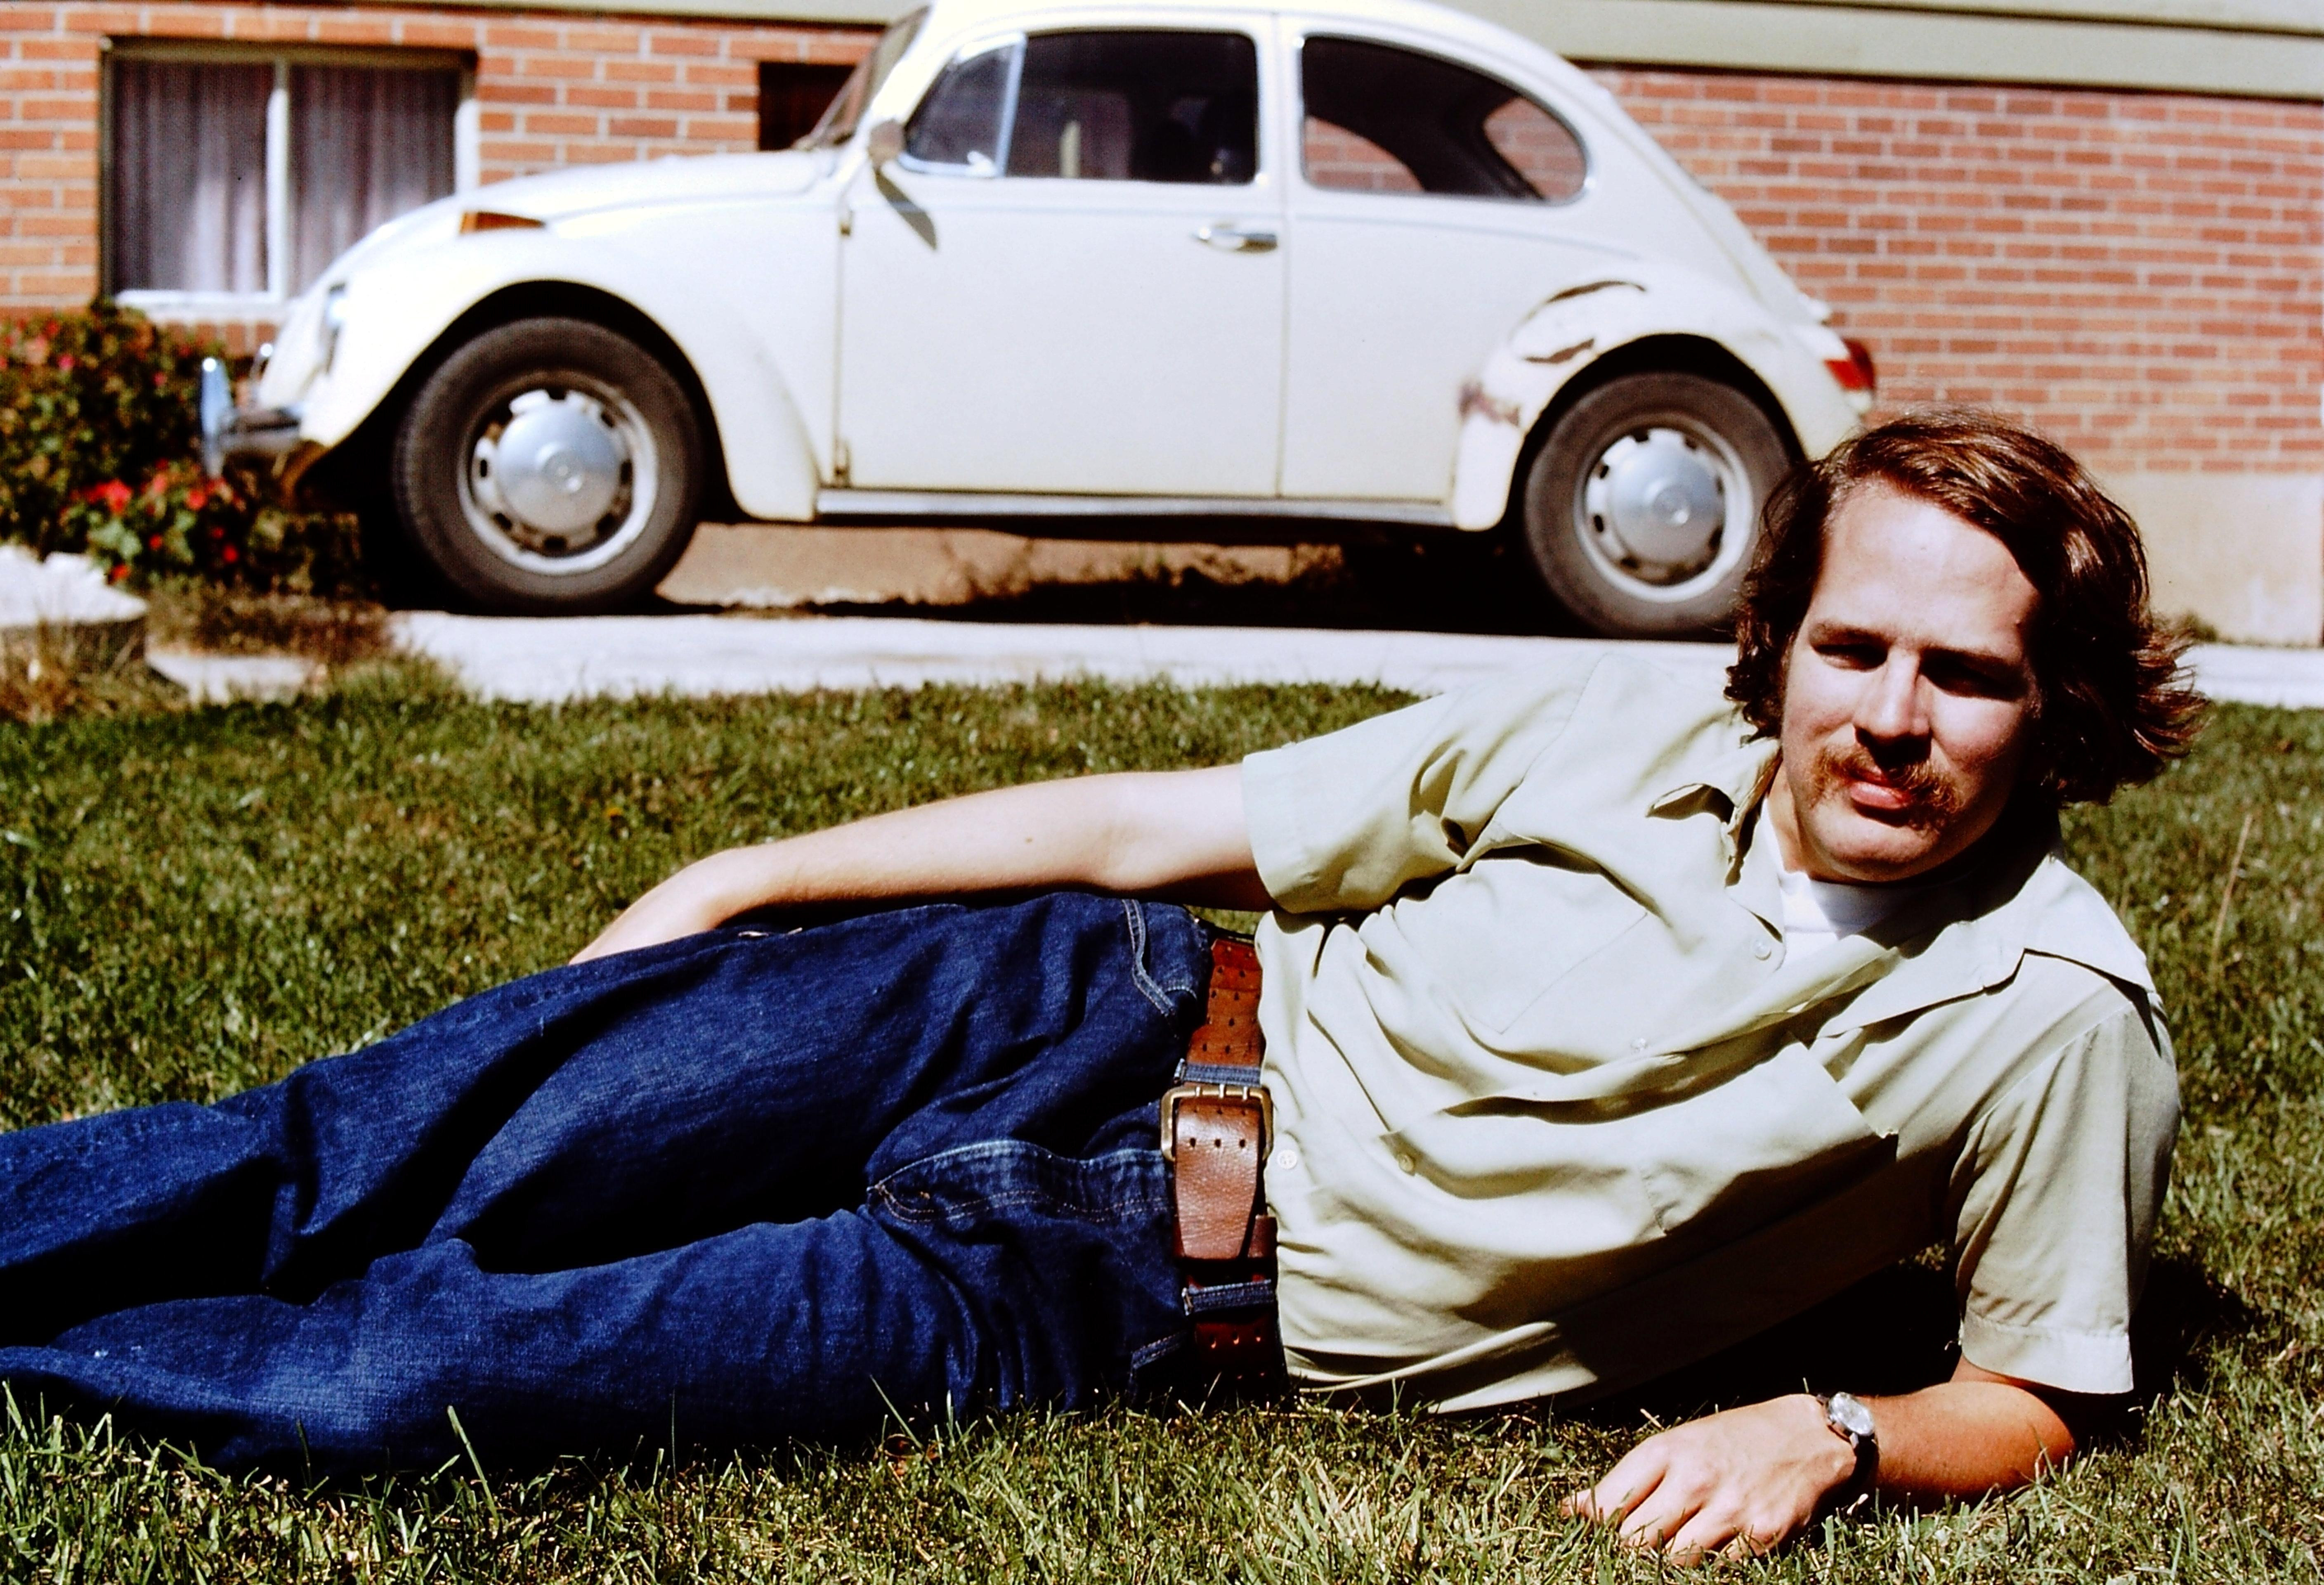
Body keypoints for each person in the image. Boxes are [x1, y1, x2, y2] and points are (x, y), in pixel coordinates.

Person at [0, 412, 2200, 1559]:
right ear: (1782, 640)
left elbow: (2044, 1392)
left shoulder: (2048, 1015)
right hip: (1091, 998)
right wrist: (755, 872)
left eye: (1969, 675)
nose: (1889, 717)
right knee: (368, 1153)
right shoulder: (1627, 735)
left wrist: (1832, 1433)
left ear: (2061, 709)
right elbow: (1168, 825)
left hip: (1113, 1286)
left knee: (397, 1380)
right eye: (1853, 646)